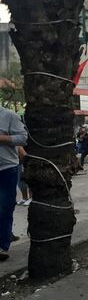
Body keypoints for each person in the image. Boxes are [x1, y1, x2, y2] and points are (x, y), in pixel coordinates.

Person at [0, 105, 28, 261]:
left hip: (6, 169)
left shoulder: (9, 116)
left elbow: (22, 138)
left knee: (4, 208)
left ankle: (2, 245)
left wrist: (2, 138)